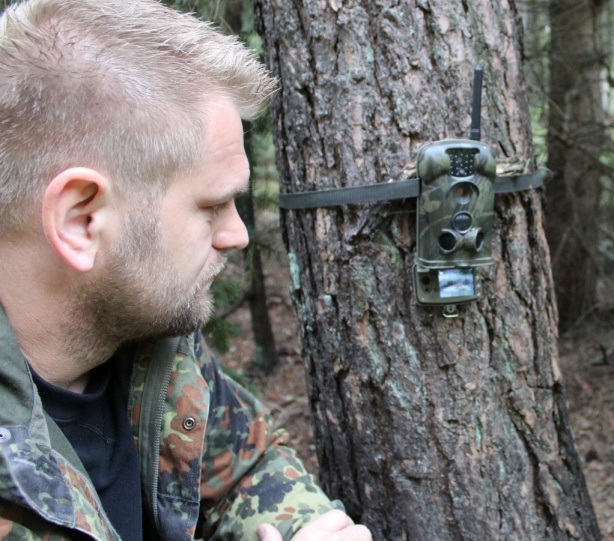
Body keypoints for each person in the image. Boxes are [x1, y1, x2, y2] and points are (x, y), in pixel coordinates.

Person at [0, 0, 370, 539]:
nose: (236, 234)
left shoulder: (150, 339)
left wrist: (305, 527)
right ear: (81, 220)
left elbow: (247, 467)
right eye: (211, 206)